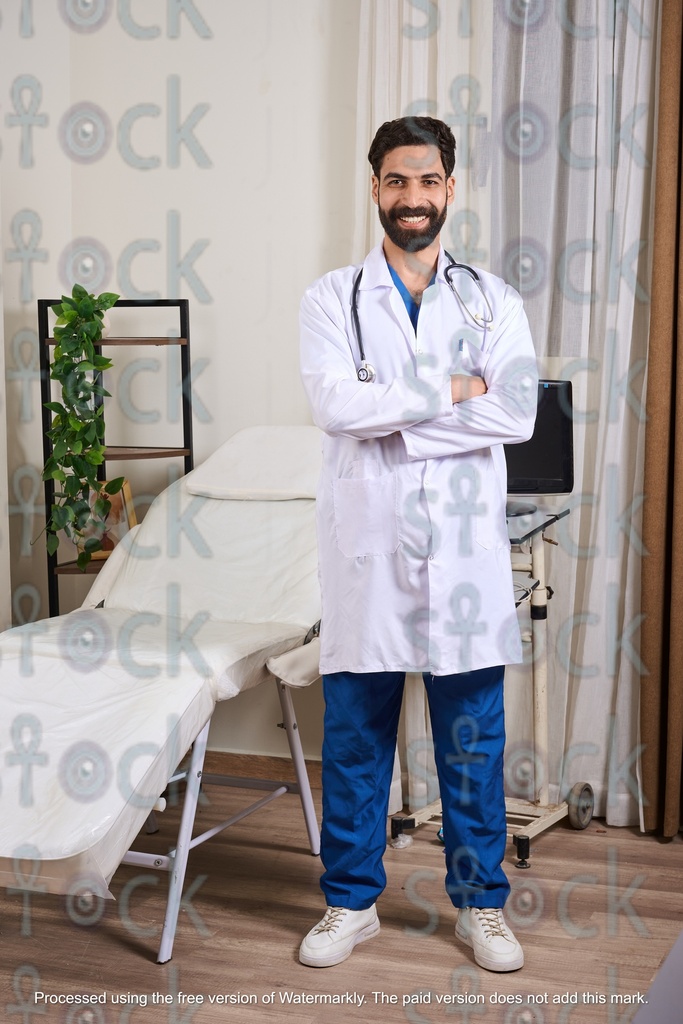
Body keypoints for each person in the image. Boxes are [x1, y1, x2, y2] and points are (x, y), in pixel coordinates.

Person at [298, 116, 538, 973]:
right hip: (365, 555)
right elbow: (335, 409)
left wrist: (394, 411)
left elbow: (515, 411)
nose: (413, 198)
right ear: (374, 187)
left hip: (464, 559)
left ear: (449, 188)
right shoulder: (331, 298)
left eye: (427, 181)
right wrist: (452, 390)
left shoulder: (491, 300)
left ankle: (480, 906)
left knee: (470, 742)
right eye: (396, 181)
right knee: (356, 740)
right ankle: (348, 904)